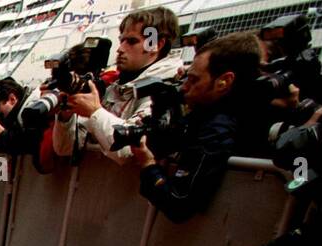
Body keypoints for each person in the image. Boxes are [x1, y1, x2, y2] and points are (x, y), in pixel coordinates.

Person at [129, 32, 263, 222]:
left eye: (194, 80)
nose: (184, 87)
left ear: (224, 82)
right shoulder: (202, 117)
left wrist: (148, 165)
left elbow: (179, 203)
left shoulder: (218, 130)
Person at [52, 7, 183, 164]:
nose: (120, 49)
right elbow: (65, 149)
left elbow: (129, 150)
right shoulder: (113, 87)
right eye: (122, 40)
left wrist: (95, 112)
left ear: (156, 44)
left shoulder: (165, 92)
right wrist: (66, 116)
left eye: (132, 41)